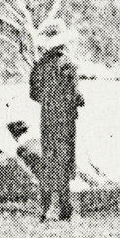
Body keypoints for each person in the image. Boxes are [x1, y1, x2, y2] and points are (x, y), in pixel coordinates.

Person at [28, 22, 83, 221]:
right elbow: (74, 94)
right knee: (64, 161)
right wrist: (79, 100)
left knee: (49, 160)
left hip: (47, 118)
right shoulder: (67, 63)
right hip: (65, 119)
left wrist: (49, 100)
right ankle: (64, 207)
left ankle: (44, 207)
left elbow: (34, 94)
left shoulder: (40, 65)